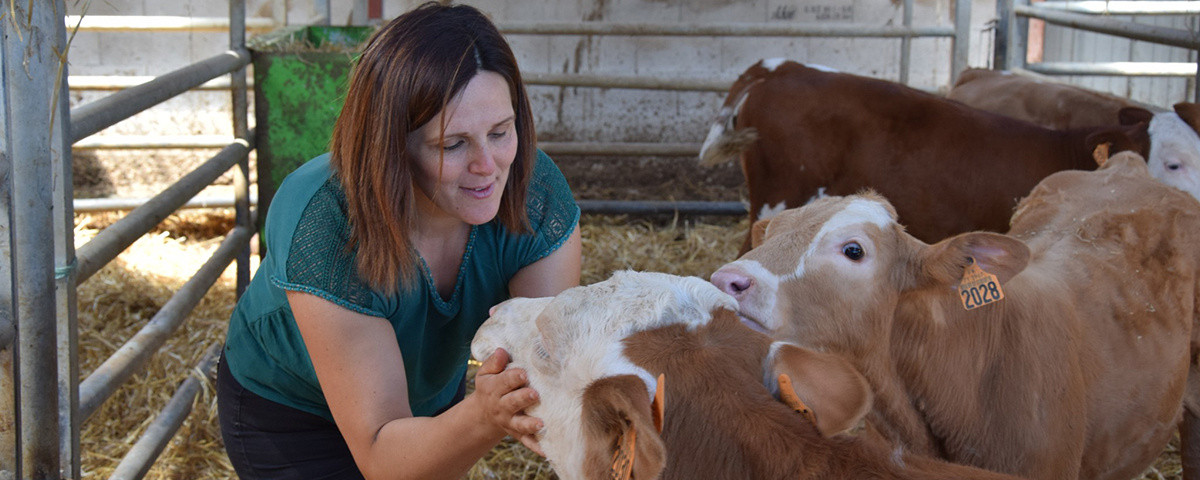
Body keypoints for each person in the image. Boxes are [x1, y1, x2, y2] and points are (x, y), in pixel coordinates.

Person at [216, 3, 582, 479]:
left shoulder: (536, 192)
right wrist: (483, 415)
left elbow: (551, 362)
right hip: (293, 411)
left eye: (501, 132)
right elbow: (382, 458)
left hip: (428, 392)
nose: (488, 166)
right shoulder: (324, 219)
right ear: (393, 145)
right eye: (453, 145)